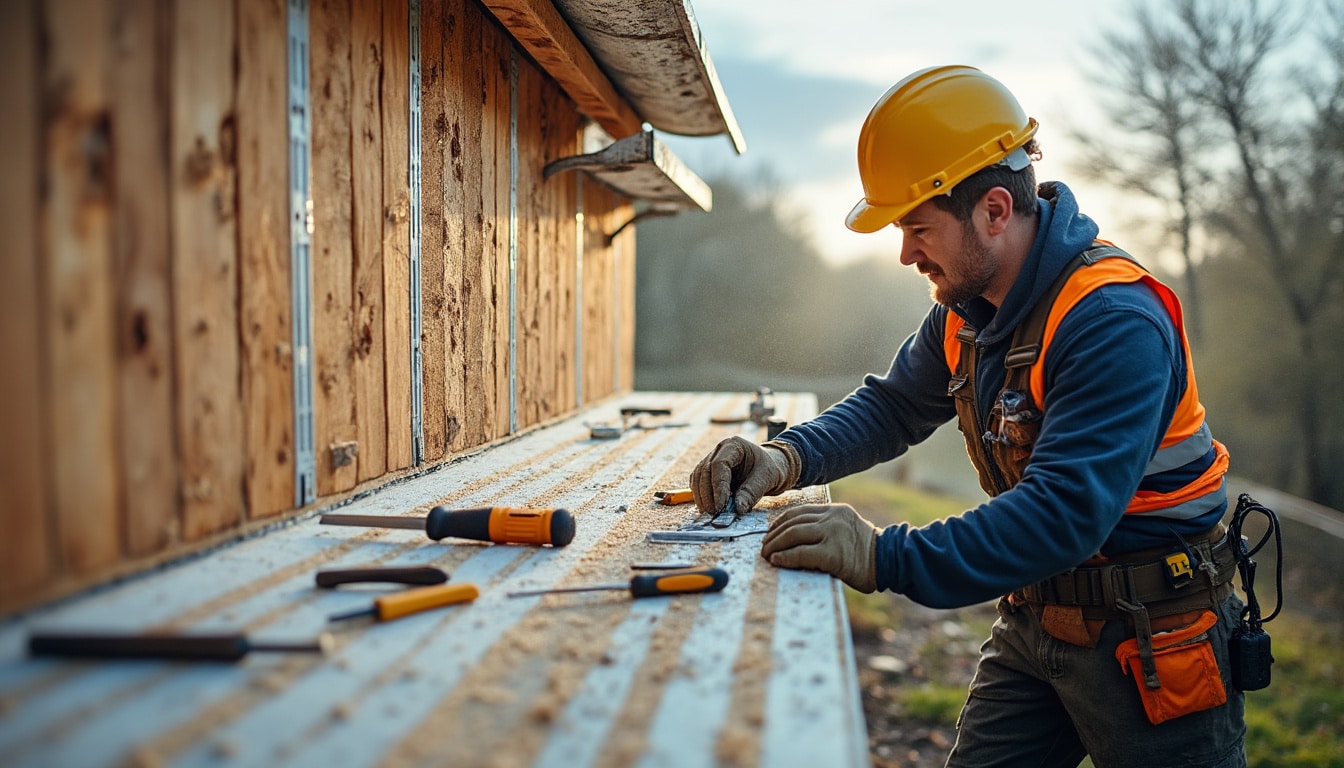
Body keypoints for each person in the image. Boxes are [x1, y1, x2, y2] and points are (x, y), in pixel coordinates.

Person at [690, 65, 1247, 767]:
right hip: (1037, 619)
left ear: (992, 211)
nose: (903, 253)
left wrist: (884, 555)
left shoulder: (1112, 321)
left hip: (1154, 636)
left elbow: (1063, 515)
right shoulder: (965, 313)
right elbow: (893, 406)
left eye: (918, 228)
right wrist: (786, 458)